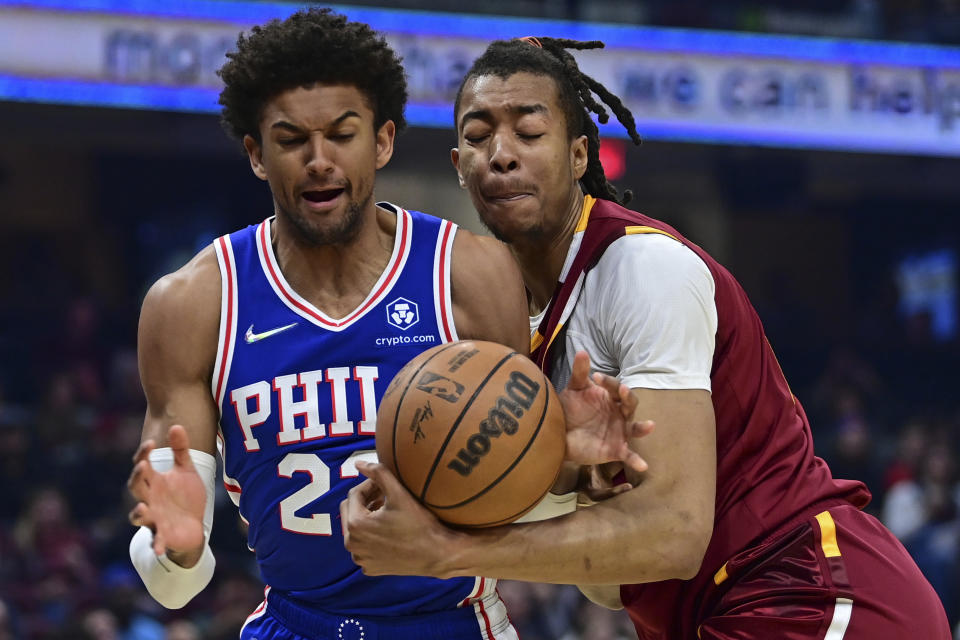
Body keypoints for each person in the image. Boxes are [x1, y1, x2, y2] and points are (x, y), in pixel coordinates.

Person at [340, 36, 953, 639]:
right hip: (719, 613)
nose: (501, 153)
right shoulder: (516, 329)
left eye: (529, 133)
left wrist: (446, 551)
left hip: (814, 594)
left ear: (580, 155)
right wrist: (571, 474)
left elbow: (674, 534)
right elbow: (610, 581)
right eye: (478, 137)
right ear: (459, 166)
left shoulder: (643, 270)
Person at [125, 11, 648, 640]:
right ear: (256, 155)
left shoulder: (469, 272)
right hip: (295, 622)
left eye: (342, 135)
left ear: (382, 141)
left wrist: (567, 468)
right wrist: (177, 549)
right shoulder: (192, 303)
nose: (319, 161)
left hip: (455, 621)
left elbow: (512, 496)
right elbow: (174, 581)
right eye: (291, 140)